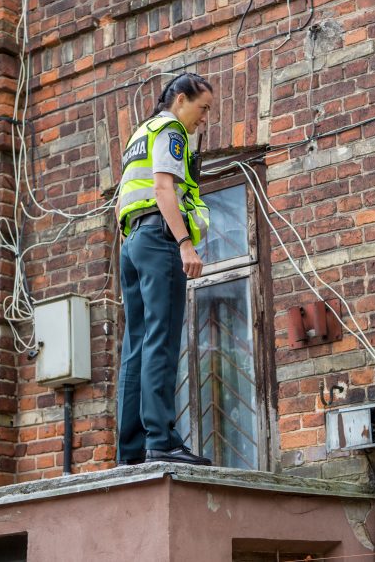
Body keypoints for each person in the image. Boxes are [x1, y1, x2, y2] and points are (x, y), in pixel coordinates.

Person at [114, 72, 213, 466]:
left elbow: (127, 196)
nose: (204, 118)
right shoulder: (172, 129)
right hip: (159, 239)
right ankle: (162, 440)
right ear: (181, 100)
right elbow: (163, 188)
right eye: (202, 108)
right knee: (162, 337)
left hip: (133, 242)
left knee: (135, 345)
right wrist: (184, 243)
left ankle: (131, 449)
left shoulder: (140, 132)